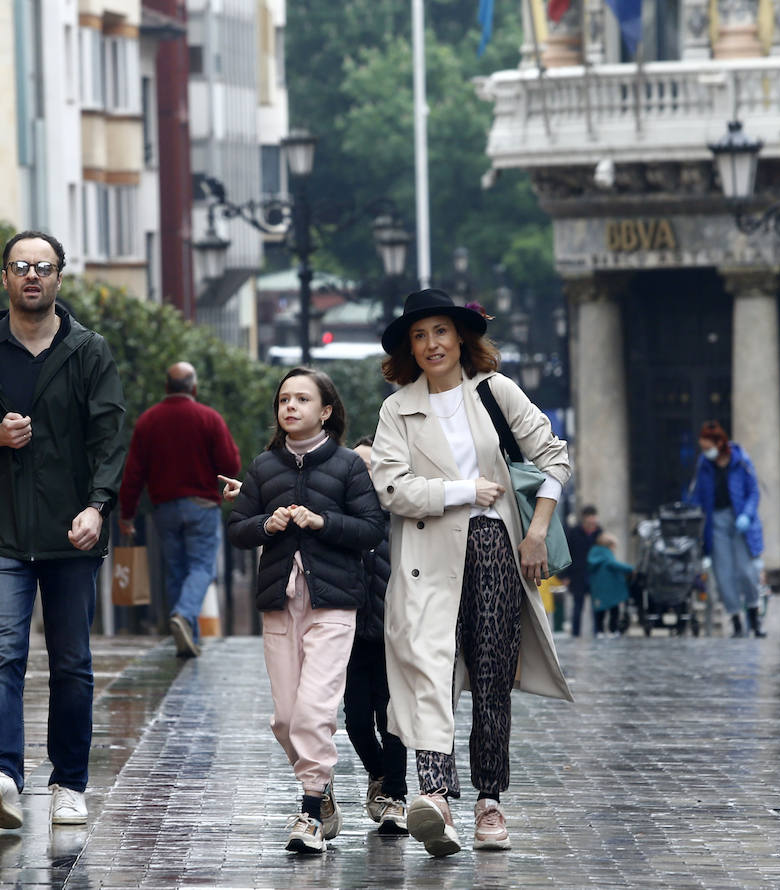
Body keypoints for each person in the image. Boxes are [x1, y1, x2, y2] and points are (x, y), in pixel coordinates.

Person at [0, 230, 127, 830]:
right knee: (4, 656)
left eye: (43, 267)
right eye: (21, 266)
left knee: (71, 664)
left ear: (60, 277)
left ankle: (69, 783)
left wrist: (98, 506)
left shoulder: (88, 352)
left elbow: (111, 438)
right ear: (7, 278)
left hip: (71, 534)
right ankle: (1, 776)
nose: (32, 276)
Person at [370, 288, 573, 857]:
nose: (432, 344)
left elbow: (554, 457)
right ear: (408, 348)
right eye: (419, 335)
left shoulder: (495, 393)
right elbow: (390, 487)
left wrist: (534, 533)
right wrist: (462, 490)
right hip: (424, 557)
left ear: (461, 337)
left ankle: (489, 800)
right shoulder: (397, 409)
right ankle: (436, 797)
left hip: (494, 546)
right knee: (426, 669)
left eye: (440, 331)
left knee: (490, 674)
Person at [226, 368, 386, 854]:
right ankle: (324, 784)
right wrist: (265, 524)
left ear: (326, 410)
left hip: (334, 602)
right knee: (284, 719)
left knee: (313, 712)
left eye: (301, 399)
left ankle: (312, 809)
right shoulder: (262, 467)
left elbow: (371, 529)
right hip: (279, 601)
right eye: (283, 400)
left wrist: (322, 521)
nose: (290, 407)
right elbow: (238, 529)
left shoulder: (347, 466)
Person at [117, 362, 241, 657]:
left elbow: (133, 472)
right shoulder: (208, 418)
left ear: (166, 388)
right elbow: (231, 465)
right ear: (194, 388)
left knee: (176, 571)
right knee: (201, 567)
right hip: (202, 506)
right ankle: (184, 616)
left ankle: (187, 641)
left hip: (164, 509)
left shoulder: (148, 421)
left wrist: (127, 513)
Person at [346, 437, 410, 835]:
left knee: (393, 718)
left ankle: (396, 798)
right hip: (350, 636)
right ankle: (380, 774)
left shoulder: (400, 516)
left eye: (371, 466)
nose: (365, 474)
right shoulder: (339, 517)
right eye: (357, 467)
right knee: (354, 721)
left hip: (392, 634)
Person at [684, 420, 766, 638]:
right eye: (703, 448)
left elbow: (753, 492)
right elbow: (698, 495)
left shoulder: (741, 460)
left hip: (739, 521)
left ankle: (754, 617)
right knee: (724, 575)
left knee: (746, 572)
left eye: (708, 447)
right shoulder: (704, 465)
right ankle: (736, 622)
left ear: (719, 442)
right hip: (716, 523)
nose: (706, 451)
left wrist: (747, 516)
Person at [564, 506, 601, 637]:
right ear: (584, 518)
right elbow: (567, 553)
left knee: (596, 606)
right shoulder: (574, 532)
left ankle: (597, 631)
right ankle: (575, 633)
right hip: (577, 574)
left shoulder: (600, 533)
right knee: (578, 606)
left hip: (595, 575)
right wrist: (566, 575)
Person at [587, 532, 633, 636]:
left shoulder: (594, 552)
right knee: (614, 609)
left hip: (597, 588)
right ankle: (613, 630)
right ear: (610, 545)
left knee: (599, 610)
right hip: (611, 588)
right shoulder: (606, 553)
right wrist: (631, 568)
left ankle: (599, 631)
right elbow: (614, 564)